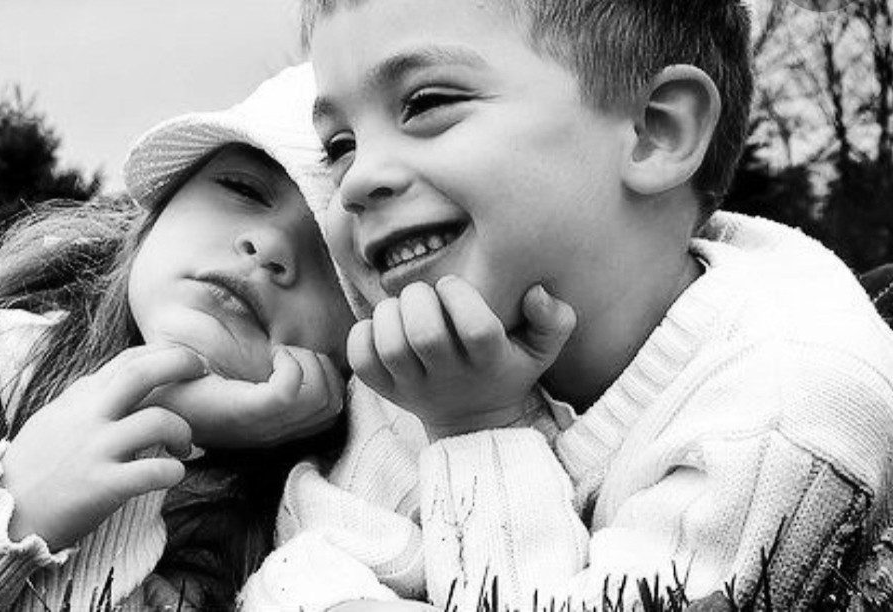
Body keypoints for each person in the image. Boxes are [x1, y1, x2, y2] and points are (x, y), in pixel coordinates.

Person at [239, 1, 893, 610]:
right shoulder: (422, 358)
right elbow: (300, 557)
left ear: (654, 132)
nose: (355, 181)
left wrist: (474, 428)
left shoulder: (789, 408)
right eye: (340, 145)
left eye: (426, 103)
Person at [0, 63, 356, 611]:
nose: (269, 246)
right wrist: (19, 511)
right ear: (157, 213)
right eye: (242, 187)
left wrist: (155, 422)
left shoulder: (331, 492)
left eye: (331, 251)